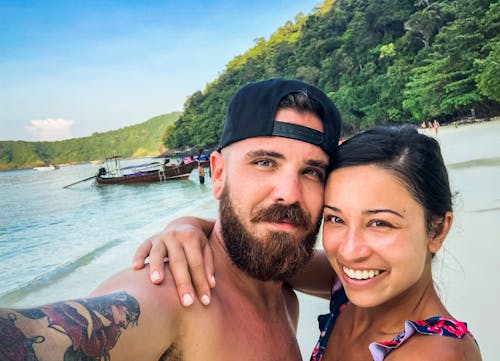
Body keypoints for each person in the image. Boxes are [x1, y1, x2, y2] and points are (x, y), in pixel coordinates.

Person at [0, 78, 342, 360]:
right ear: (218, 173)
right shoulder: (174, 295)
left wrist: (191, 223)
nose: (290, 193)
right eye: (265, 162)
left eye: (312, 171)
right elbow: (35, 336)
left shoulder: (284, 290)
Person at [135, 126, 482, 360]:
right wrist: (190, 227)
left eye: (379, 223)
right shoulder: (347, 288)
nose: (349, 251)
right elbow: (261, 250)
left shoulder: (435, 353)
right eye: (335, 219)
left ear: (437, 230)